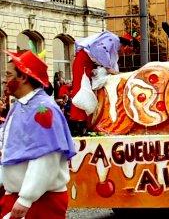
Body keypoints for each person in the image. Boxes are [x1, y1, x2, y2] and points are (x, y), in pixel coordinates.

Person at [0, 50, 76, 219]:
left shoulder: (43, 109)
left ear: (23, 77)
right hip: (18, 197)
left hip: (39, 202)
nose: (4, 79)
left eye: (8, 74)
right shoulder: (19, 106)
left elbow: (47, 157)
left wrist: (26, 198)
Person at [69, 30, 134, 135]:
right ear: (126, 47)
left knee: (89, 93)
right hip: (83, 61)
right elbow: (99, 50)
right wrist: (108, 68)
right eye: (127, 52)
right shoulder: (112, 39)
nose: (124, 54)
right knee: (81, 90)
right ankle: (77, 123)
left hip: (90, 64)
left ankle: (86, 123)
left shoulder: (114, 47)